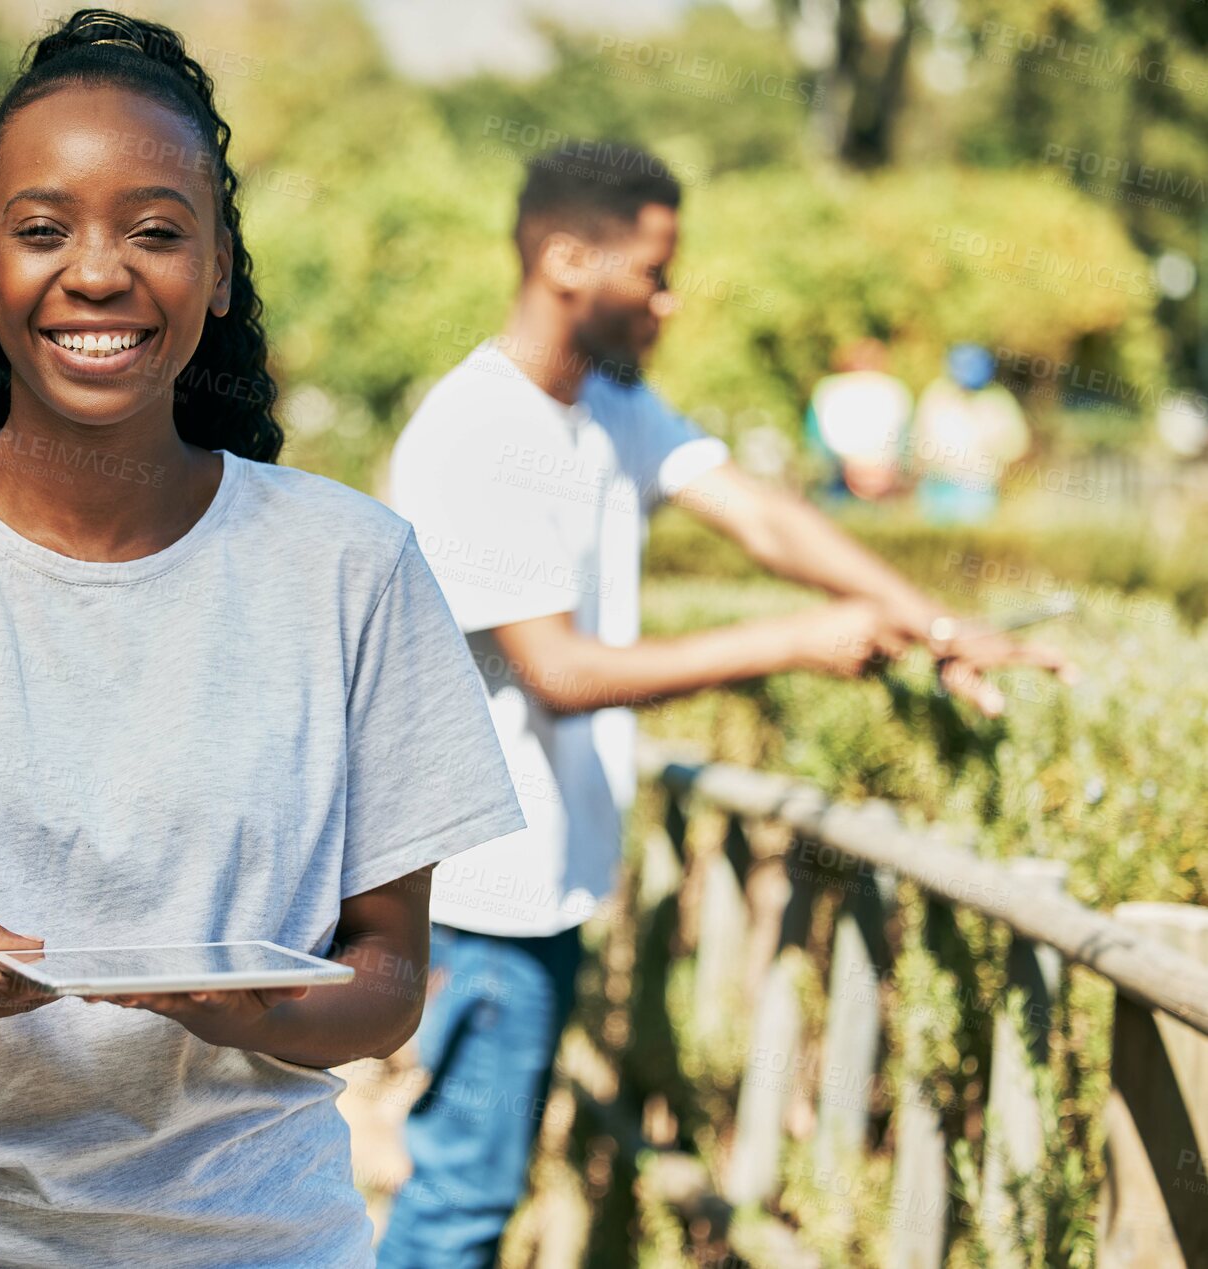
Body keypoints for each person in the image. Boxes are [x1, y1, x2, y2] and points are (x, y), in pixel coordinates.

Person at [0, 11, 526, 1268]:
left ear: (220, 269)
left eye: (154, 229)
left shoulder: (351, 570)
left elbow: (389, 984)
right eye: (42, 229)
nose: (97, 272)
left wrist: (253, 1006)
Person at [379, 143, 1074, 1268]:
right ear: (564, 260)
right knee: (459, 1200)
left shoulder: (604, 405)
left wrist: (937, 627)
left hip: (539, 887)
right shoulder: (476, 433)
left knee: (474, 1189)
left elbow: (760, 518)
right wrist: (794, 643)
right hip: (476, 898)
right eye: (651, 273)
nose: (670, 298)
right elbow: (559, 674)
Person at [911, 342, 1030, 524]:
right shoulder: (937, 395)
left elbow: (1014, 444)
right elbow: (919, 437)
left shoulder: (996, 400)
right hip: (938, 482)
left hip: (977, 485)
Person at [804, 337, 912, 501]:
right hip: (870, 474)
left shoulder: (827, 389)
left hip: (842, 473)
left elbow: (815, 437)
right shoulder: (894, 389)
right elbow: (903, 439)